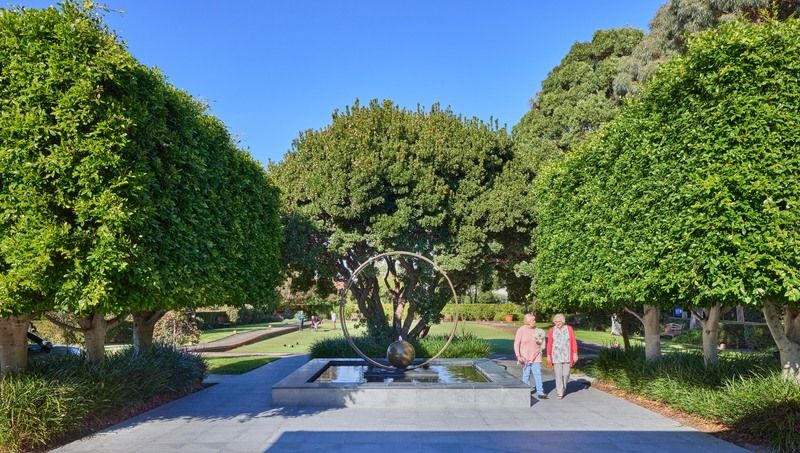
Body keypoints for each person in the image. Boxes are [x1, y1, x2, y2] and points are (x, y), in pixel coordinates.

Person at [514, 313, 547, 399]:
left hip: (536, 355)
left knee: (538, 374)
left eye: (534, 320)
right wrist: (518, 356)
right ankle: (526, 391)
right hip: (524, 356)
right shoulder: (521, 330)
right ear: (528, 322)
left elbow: (542, 342)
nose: (535, 321)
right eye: (533, 320)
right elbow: (516, 344)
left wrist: (540, 341)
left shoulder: (537, 330)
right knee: (526, 375)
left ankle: (540, 391)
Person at [547, 313, 578, 399]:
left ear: (563, 321)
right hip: (556, 356)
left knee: (566, 374)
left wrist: (575, 353)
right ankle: (560, 392)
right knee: (558, 374)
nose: (558, 323)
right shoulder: (551, 330)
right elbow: (549, 344)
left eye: (559, 321)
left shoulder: (569, 329)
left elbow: (573, 342)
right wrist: (549, 355)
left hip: (567, 355)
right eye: (556, 321)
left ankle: (563, 388)